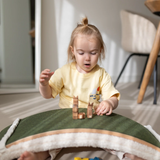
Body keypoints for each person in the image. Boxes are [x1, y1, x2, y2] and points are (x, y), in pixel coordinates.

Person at [18, 17, 143, 160]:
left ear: (100, 51)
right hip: (67, 121)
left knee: (112, 138)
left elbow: (113, 97)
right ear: (73, 51)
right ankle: (37, 155)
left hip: (94, 121)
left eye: (93, 53)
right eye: (81, 53)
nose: (87, 58)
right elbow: (47, 95)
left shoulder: (101, 74)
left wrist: (109, 103)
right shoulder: (64, 71)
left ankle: (129, 155)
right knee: (53, 140)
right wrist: (44, 84)